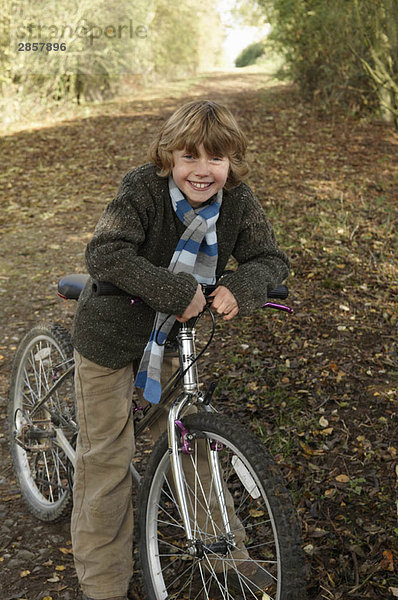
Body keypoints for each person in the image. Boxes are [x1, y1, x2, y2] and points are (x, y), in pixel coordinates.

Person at [70, 99, 290, 600]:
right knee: (107, 454)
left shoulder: (236, 199)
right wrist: (175, 290)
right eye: (190, 157)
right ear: (169, 155)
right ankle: (102, 582)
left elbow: (269, 258)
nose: (203, 170)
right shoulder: (142, 187)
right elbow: (104, 252)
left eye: (216, 158)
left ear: (232, 161)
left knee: (191, 442)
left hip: (172, 336)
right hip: (110, 331)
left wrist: (244, 285)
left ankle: (224, 550)